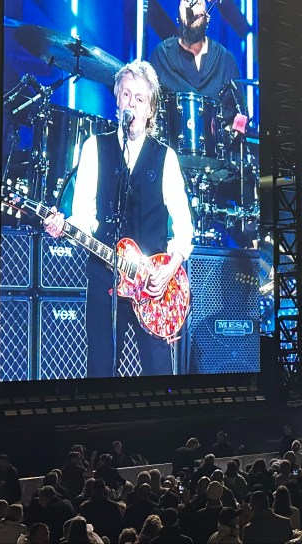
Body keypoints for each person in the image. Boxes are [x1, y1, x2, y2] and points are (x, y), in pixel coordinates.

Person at [44, 60, 194, 377]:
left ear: (150, 109)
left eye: (140, 98)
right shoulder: (94, 148)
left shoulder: (165, 157)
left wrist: (170, 268)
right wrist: (63, 226)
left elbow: (184, 227)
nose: (132, 104)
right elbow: (84, 217)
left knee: (158, 373)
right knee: (100, 368)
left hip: (152, 285)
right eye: (126, 95)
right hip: (105, 277)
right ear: (117, 100)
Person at [149, 0, 248, 138]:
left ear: (207, 17)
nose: (191, 5)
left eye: (198, 2)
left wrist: (234, 130)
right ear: (178, 15)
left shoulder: (226, 60)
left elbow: (241, 114)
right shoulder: (161, 55)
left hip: (216, 152)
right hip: (170, 150)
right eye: (186, 0)